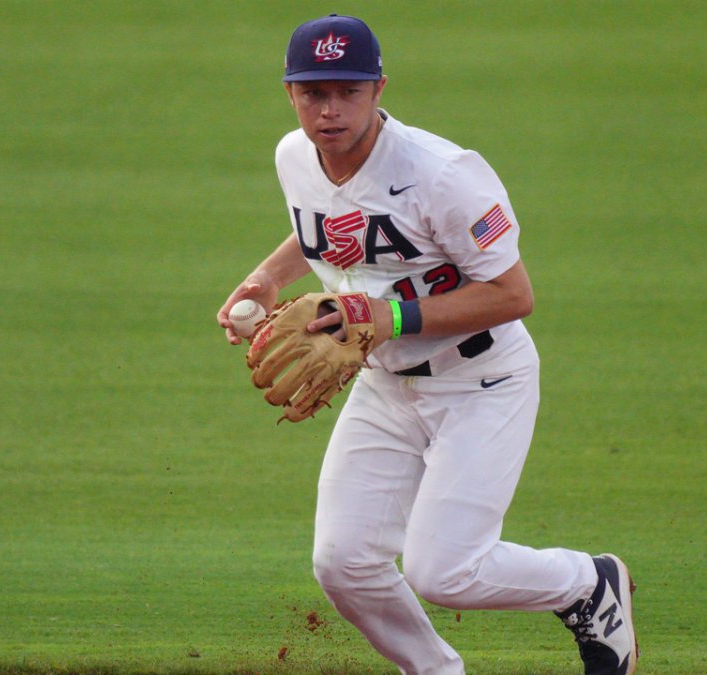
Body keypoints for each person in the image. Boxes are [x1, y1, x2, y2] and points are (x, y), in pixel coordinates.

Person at [216, 14, 638, 675]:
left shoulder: (444, 175)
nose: (330, 110)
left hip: (482, 379)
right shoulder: (292, 157)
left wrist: (386, 316)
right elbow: (324, 227)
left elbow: (513, 295)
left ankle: (586, 583)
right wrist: (267, 278)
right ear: (290, 93)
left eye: (348, 91)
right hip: (385, 383)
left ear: (379, 88)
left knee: (445, 570)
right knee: (342, 561)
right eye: (313, 93)